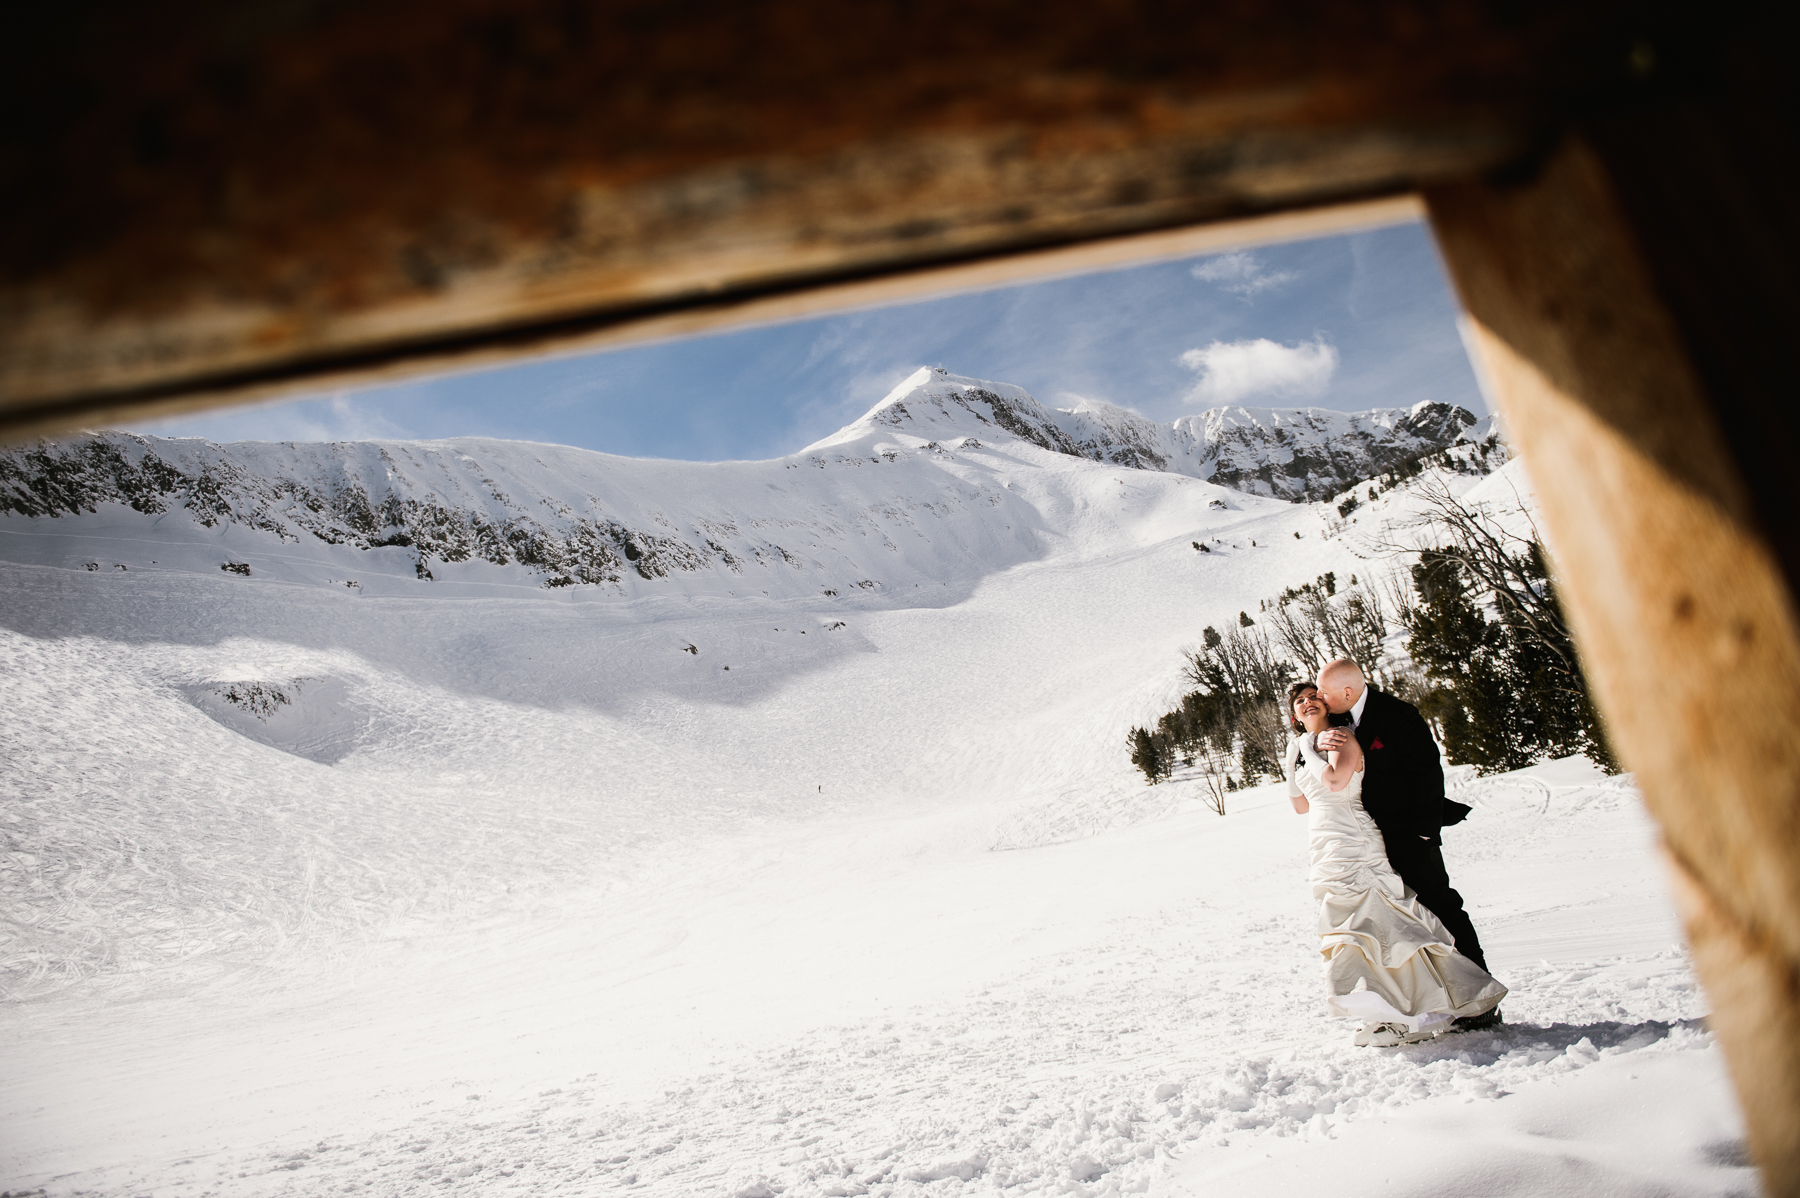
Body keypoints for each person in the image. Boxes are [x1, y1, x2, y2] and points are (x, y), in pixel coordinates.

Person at [1287, 679, 1506, 1046]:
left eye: (1314, 696)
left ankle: (1446, 1006)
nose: (1308, 702)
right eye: (1299, 701)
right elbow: (1300, 804)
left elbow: (1337, 780)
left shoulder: (1341, 736)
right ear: (1293, 715)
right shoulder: (1300, 747)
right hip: (1326, 843)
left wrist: (1308, 749)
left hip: (1356, 837)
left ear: (1328, 703)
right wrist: (1293, 756)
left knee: (1387, 923)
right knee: (1359, 932)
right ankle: (1390, 1009)